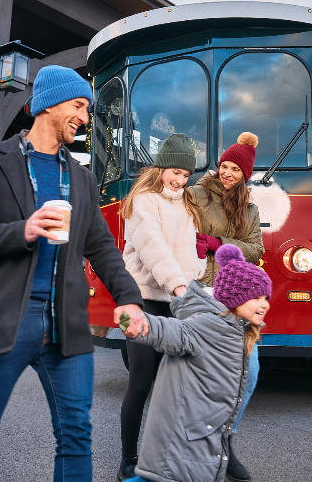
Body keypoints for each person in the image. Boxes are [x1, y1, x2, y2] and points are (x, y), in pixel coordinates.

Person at [0, 65, 149, 482]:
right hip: (9, 321)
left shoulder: (83, 178)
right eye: (79, 106)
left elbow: (101, 247)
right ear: (49, 104)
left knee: (75, 435)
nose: (85, 118)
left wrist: (129, 298)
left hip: (66, 324)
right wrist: (23, 230)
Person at [121, 244, 271, 482]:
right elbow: (169, 331)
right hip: (185, 436)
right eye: (256, 298)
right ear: (234, 301)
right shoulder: (207, 326)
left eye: (266, 297)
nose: (264, 304)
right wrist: (129, 320)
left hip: (206, 433)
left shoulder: (241, 333)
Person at [117, 133, 207, 480]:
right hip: (140, 299)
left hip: (174, 300)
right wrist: (180, 285)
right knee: (140, 381)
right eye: (175, 172)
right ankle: (128, 458)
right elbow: (152, 247)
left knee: (174, 385)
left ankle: (166, 456)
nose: (180, 180)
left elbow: (188, 253)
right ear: (161, 168)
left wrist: (194, 280)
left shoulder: (186, 204)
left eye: (186, 175)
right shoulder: (143, 200)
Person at [189, 131, 264, 482]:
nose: (227, 172)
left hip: (234, 297)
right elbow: (179, 229)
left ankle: (224, 438)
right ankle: (195, 446)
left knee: (250, 372)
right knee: (202, 374)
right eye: (224, 165)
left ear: (245, 174)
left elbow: (255, 249)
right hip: (202, 290)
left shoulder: (249, 208)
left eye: (235, 168)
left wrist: (219, 243)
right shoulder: (197, 194)